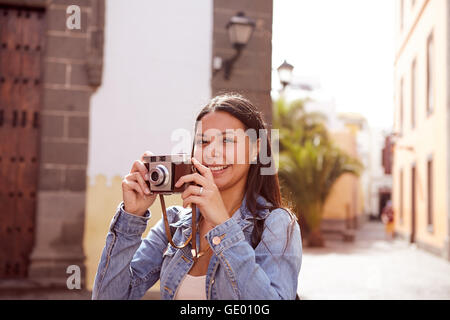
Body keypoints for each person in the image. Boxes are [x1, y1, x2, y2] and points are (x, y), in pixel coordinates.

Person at [92, 93, 302, 300]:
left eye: (227, 140)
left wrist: (223, 226)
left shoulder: (277, 224)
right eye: (203, 142)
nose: (212, 152)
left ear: (256, 149)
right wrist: (131, 217)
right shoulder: (174, 224)